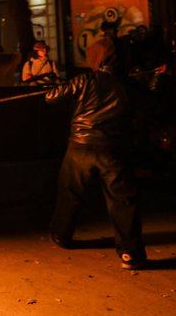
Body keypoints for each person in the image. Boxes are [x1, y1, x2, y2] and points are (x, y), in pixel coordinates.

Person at [45, 31, 147, 270]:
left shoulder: (84, 81)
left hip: (79, 148)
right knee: (123, 200)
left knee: (70, 193)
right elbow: (150, 106)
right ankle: (129, 252)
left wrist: (59, 86)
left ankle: (61, 235)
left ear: (96, 58)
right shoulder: (129, 84)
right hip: (113, 150)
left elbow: (51, 97)